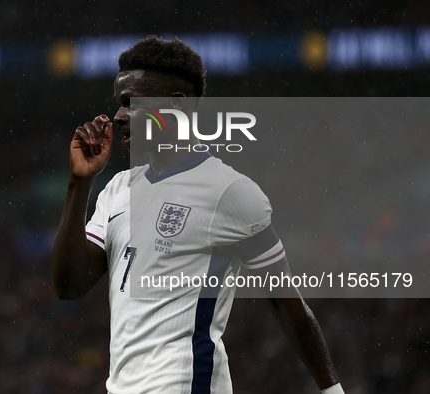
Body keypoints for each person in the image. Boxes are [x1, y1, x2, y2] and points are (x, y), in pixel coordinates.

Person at [52, 35, 344, 394]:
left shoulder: (229, 191)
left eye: (132, 103)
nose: (118, 116)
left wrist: (333, 391)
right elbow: (69, 286)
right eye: (118, 104)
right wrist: (79, 183)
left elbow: (286, 303)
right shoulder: (116, 190)